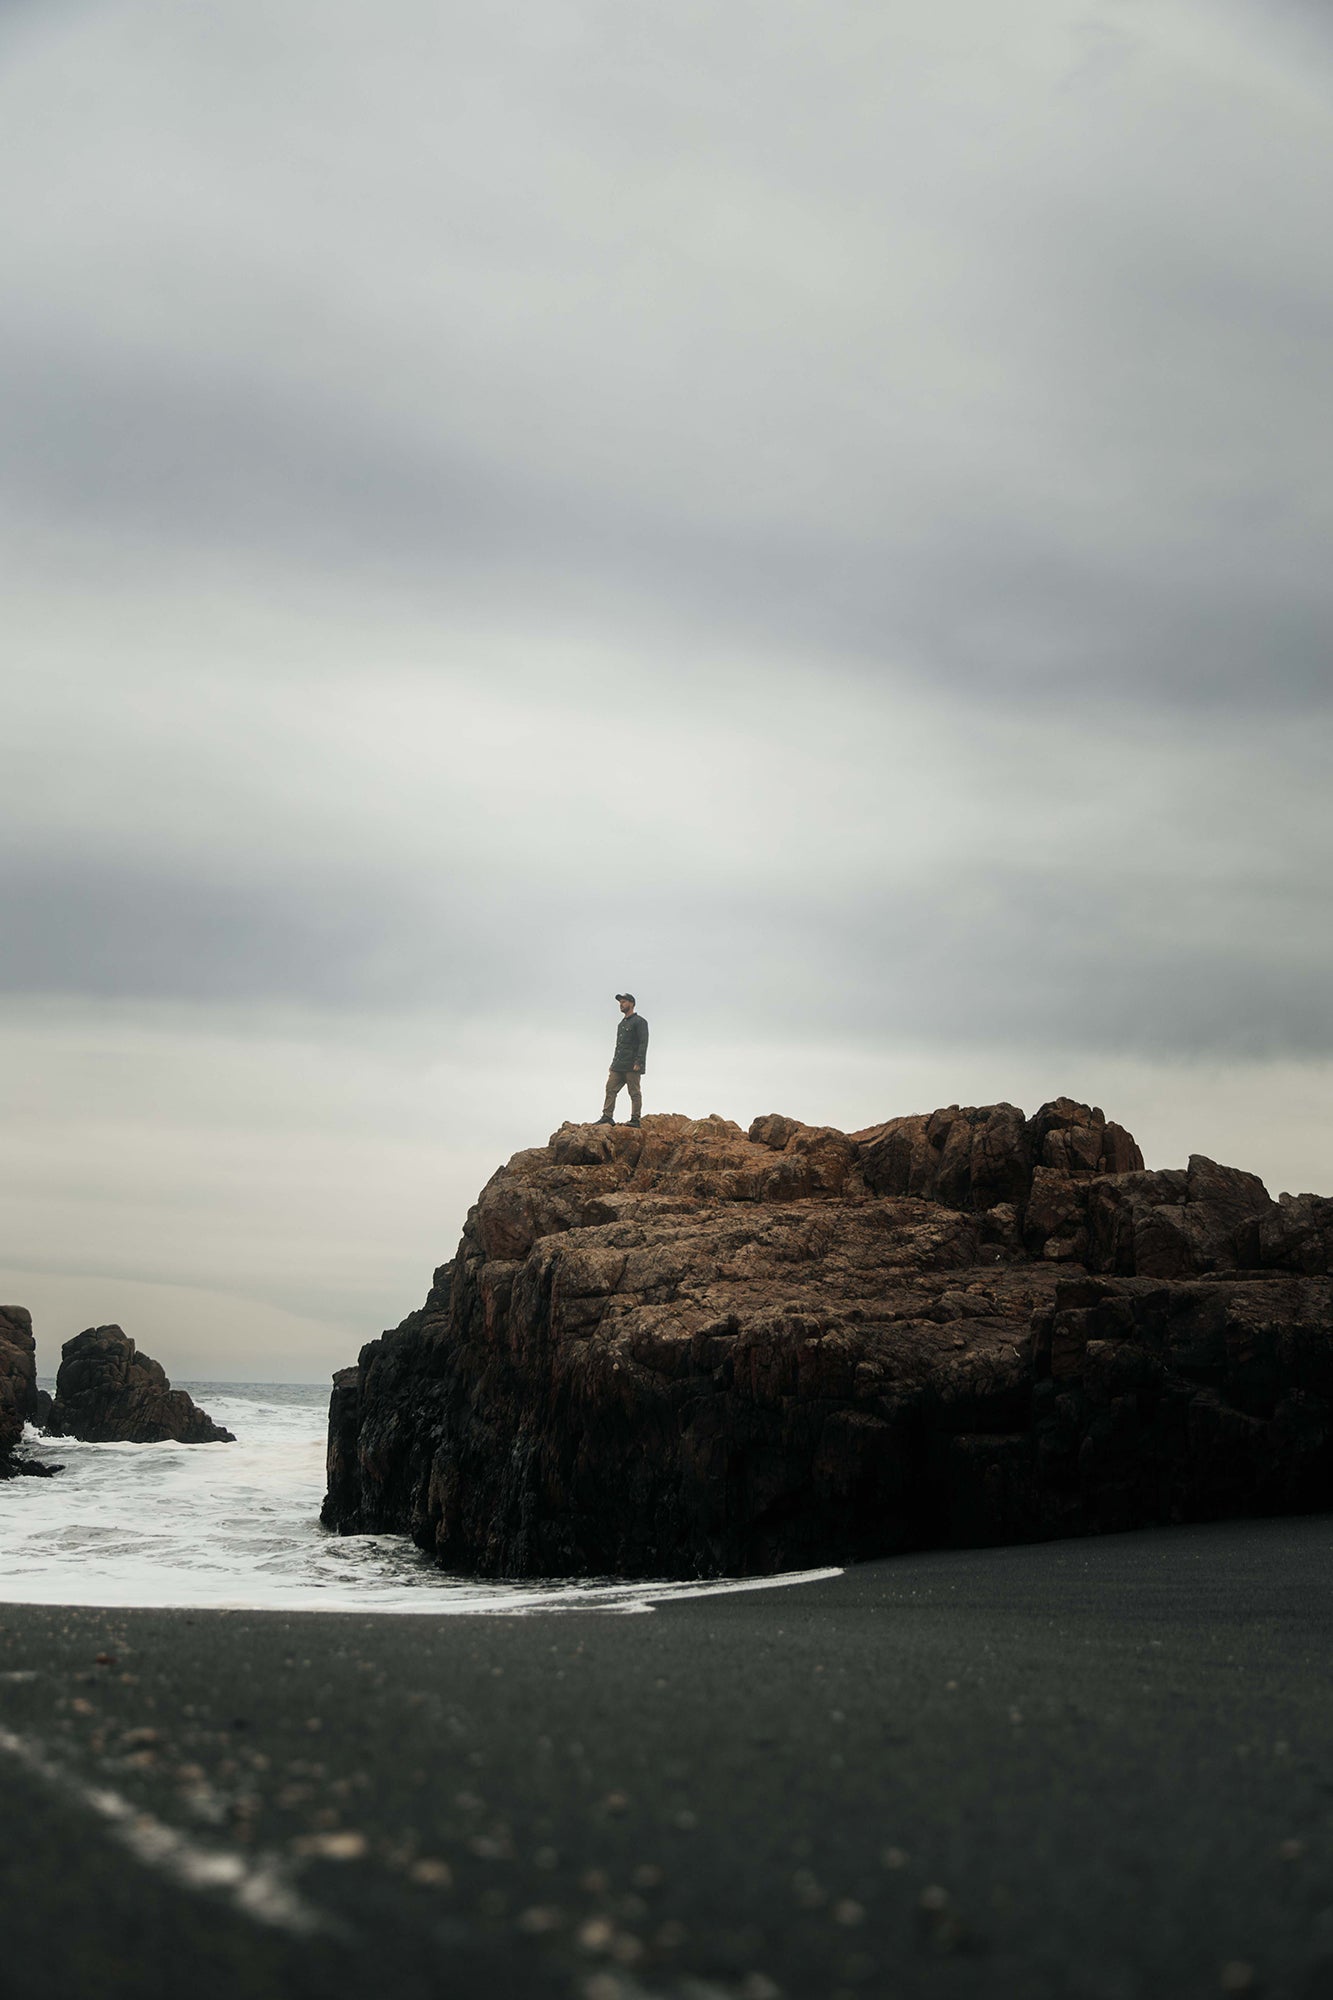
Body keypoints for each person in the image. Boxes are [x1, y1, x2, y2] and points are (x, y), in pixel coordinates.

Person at [597, 993, 649, 1126]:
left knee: (634, 1092)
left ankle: (635, 1119)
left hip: (632, 1065)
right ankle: (607, 1116)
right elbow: (619, 1045)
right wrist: (613, 1063)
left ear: (631, 1003)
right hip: (618, 1065)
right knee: (610, 1088)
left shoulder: (640, 1022)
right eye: (620, 1002)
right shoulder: (621, 1024)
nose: (621, 1004)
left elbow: (643, 1043)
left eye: (624, 1002)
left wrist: (639, 1062)